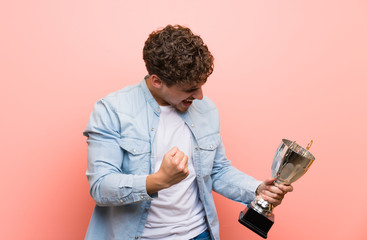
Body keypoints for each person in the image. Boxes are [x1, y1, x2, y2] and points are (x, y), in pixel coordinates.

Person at [83, 24, 293, 240]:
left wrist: (257, 189)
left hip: (199, 234)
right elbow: (101, 187)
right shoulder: (112, 110)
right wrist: (160, 180)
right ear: (157, 81)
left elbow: (217, 170)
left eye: (201, 86)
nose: (200, 96)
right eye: (190, 89)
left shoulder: (206, 109)